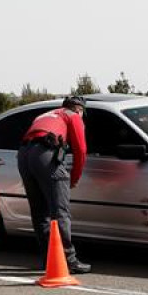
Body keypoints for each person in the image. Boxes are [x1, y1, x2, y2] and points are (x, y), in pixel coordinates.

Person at [17, 95, 91, 274]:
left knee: (39, 211)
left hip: (24, 155)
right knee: (60, 211)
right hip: (45, 154)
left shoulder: (45, 115)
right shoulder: (73, 116)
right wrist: (74, 178)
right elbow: (81, 150)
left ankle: (48, 259)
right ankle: (68, 259)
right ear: (79, 110)